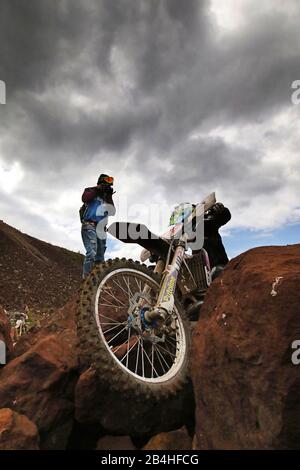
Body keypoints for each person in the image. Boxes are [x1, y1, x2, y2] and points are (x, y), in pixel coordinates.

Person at [80, 173, 116, 278]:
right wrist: (97, 189)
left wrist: (109, 196)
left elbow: (112, 211)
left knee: (100, 258)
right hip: (89, 225)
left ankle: (98, 281)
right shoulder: (91, 191)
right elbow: (84, 198)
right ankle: (86, 279)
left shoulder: (106, 198)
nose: (107, 187)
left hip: (101, 229)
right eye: (105, 184)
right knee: (91, 253)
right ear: (100, 182)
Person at [202, 202, 231, 278]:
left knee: (218, 271)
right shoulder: (188, 229)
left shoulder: (209, 223)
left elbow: (225, 216)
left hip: (219, 264)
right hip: (202, 270)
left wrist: (219, 209)